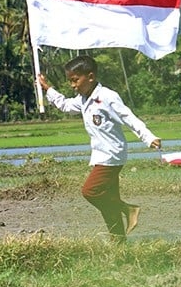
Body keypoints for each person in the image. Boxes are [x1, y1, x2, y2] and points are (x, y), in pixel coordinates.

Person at [38, 55, 161, 243]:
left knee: (90, 191)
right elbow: (65, 105)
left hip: (112, 154)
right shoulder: (83, 98)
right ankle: (118, 241)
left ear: (90, 76)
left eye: (75, 80)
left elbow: (128, 117)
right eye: (70, 81)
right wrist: (48, 89)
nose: (73, 85)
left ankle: (128, 209)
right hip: (100, 154)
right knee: (107, 199)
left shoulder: (107, 97)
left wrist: (148, 137)